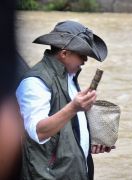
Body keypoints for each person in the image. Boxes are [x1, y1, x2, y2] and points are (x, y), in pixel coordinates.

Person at [16, 20, 114, 180]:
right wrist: (74, 108)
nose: (85, 60)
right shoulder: (35, 82)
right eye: (82, 54)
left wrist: (88, 143)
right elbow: (39, 132)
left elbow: (66, 131)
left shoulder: (69, 77)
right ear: (64, 54)